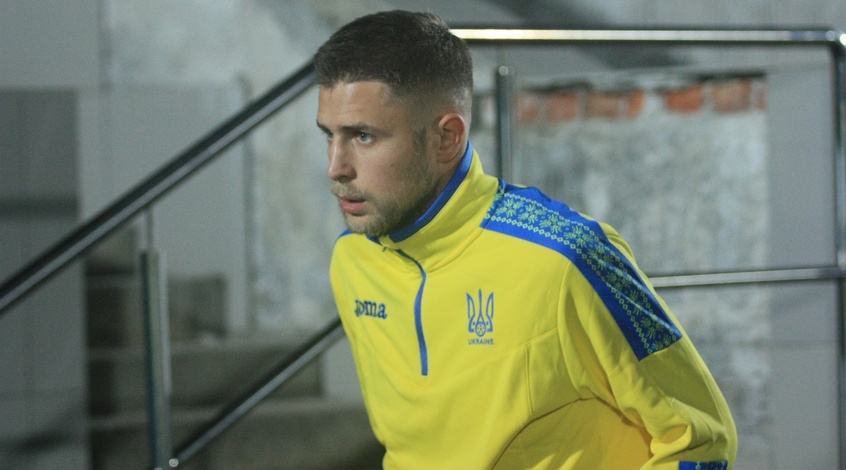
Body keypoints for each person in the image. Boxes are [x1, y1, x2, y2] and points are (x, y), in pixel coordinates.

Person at [314, 10, 737, 470]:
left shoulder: (566, 258)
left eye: (363, 137)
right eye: (329, 136)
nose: (336, 167)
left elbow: (702, 442)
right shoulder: (351, 259)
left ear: (447, 138)